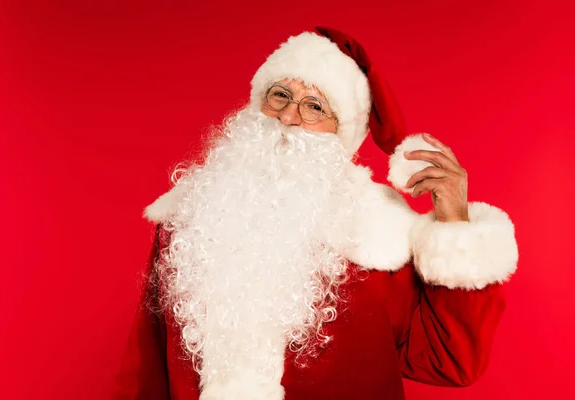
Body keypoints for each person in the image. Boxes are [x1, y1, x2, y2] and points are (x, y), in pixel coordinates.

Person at [113, 27, 518, 400]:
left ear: (342, 133)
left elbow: (447, 362)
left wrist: (454, 225)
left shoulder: (379, 235)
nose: (289, 118)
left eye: (314, 107)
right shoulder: (190, 218)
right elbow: (147, 369)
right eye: (280, 96)